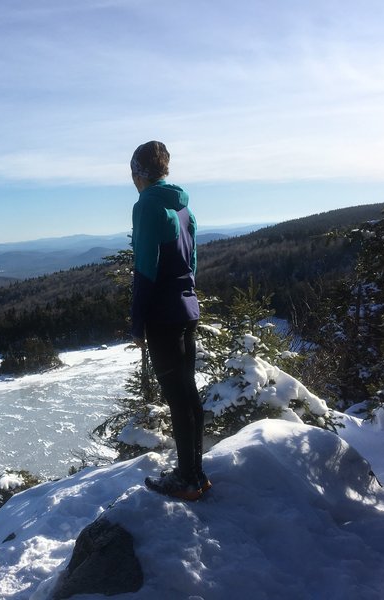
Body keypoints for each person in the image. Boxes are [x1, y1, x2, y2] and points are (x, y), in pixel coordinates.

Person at [129, 140, 210, 501]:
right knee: (188, 393)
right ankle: (196, 472)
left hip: (163, 314)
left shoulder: (146, 205)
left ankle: (188, 479)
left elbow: (145, 268)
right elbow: (191, 264)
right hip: (186, 308)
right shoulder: (184, 208)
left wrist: (138, 322)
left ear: (140, 173)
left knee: (178, 397)